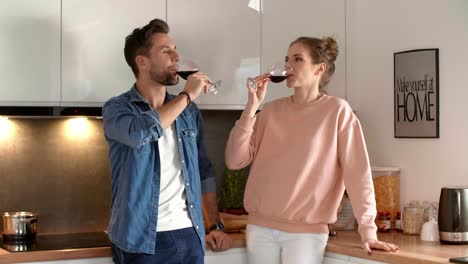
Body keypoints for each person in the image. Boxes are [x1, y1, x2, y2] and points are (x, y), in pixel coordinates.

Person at [225, 36, 399, 263]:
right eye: (287, 59)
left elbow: (358, 175)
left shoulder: (337, 112)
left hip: (306, 235)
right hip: (260, 229)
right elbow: (234, 160)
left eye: (298, 59)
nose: (288, 66)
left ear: (320, 68)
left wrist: (368, 231)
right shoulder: (269, 111)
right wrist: (251, 108)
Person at [102, 18, 232, 264]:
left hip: (190, 234)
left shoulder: (190, 113)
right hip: (141, 240)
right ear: (142, 62)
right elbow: (140, 132)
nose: (176, 55)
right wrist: (187, 95)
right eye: (166, 51)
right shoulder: (117, 109)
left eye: (175, 48)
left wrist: (214, 225)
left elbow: (203, 170)